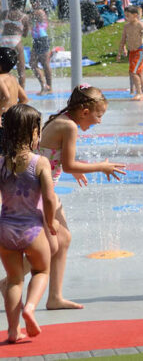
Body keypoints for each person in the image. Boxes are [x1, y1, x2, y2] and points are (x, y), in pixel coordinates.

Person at [38, 86, 126, 309]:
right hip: (38, 191)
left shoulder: (62, 119)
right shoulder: (68, 126)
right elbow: (67, 165)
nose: (99, 121)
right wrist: (101, 166)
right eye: (99, 115)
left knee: (63, 239)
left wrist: (75, 168)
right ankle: (10, 281)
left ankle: (55, 297)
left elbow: (53, 155)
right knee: (48, 245)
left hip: (42, 188)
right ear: (85, 112)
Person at [0, 104, 57, 342]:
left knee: (14, 280)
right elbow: (49, 198)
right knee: (42, 270)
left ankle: (13, 331)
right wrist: (51, 223)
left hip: (5, 229)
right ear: (34, 132)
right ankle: (30, 308)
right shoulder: (40, 162)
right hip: (32, 229)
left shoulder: (1, 162)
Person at [120, 5, 143, 101]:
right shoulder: (126, 26)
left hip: (140, 52)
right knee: (138, 73)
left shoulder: (140, 25)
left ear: (135, 15)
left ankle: (139, 93)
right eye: (125, 15)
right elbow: (123, 39)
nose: (126, 17)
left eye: (128, 15)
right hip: (132, 52)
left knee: (133, 72)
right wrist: (121, 50)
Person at [0, 0, 29, 87]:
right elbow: (25, 34)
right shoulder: (24, 17)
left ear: (12, 2)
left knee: (2, 68)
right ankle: (22, 92)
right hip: (16, 41)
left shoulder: (5, 13)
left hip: (4, 41)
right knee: (21, 69)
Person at [28, 0, 51, 95]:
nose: (33, 5)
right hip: (37, 39)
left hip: (42, 38)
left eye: (34, 3)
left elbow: (32, 19)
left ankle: (47, 87)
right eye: (32, 3)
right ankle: (45, 86)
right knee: (33, 64)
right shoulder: (34, 13)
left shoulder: (39, 12)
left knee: (44, 64)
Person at [0, 48, 28, 117]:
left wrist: (0, 114)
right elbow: (24, 99)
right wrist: (14, 113)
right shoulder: (12, 78)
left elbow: (6, 96)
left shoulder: (0, 78)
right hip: (11, 119)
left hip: (2, 118)